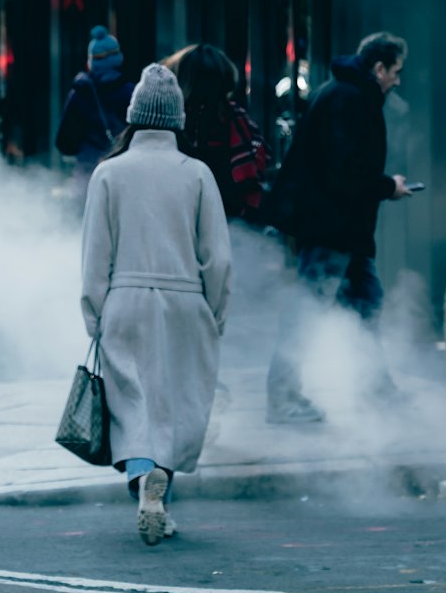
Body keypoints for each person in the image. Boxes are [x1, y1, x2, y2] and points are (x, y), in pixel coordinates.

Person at [80, 63, 232, 545]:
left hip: (125, 301)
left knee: (134, 407)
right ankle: (160, 492)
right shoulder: (198, 174)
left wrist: (93, 314)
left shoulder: (108, 173)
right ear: (177, 119)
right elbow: (218, 257)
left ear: (133, 116)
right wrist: (215, 313)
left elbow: (94, 256)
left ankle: (145, 480)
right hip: (186, 303)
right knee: (175, 405)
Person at [265, 31, 413, 424]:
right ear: (378, 67)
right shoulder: (351, 99)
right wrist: (388, 187)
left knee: (366, 304)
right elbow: (346, 172)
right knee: (310, 311)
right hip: (332, 228)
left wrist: (383, 185)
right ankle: (284, 399)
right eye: (395, 71)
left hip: (339, 229)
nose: (397, 80)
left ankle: (375, 388)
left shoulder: (345, 93)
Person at [170, 43, 270, 220]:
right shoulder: (237, 118)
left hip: (182, 216)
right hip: (228, 219)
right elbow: (257, 162)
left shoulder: (173, 120)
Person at [55, 26, 134, 198]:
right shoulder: (131, 93)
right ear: (118, 58)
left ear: (91, 61)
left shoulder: (79, 94)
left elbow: (64, 142)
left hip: (88, 174)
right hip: (123, 175)